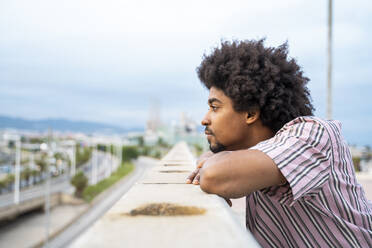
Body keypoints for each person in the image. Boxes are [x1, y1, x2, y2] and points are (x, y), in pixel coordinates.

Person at [186, 39, 372, 247]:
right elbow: (210, 163)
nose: (204, 119)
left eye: (215, 107)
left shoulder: (313, 134)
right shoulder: (253, 157)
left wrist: (210, 164)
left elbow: (214, 175)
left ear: (251, 113)